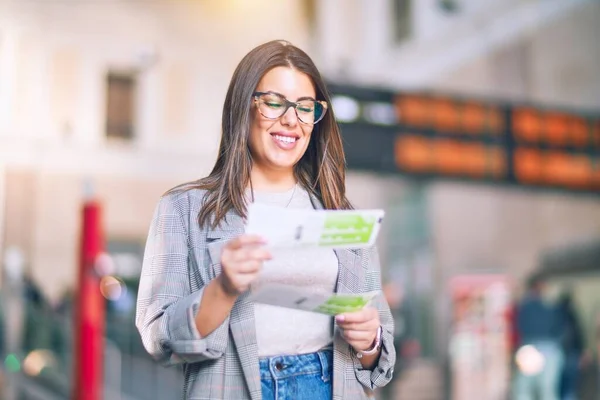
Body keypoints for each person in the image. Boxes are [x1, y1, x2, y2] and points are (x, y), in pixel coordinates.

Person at [135, 40, 396, 400]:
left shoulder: (342, 217)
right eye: (274, 103)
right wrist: (223, 289)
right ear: (244, 107)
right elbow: (158, 338)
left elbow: (378, 359)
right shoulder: (184, 209)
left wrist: (370, 341)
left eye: (306, 108)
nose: (291, 119)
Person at [512, 275, 564, 400]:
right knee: (545, 389)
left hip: (534, 347)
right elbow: (560, 327)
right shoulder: (551, 305)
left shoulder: (526, 305)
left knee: (526, 389)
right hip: (546, 348)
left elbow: (520, 326)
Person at [557, 291, 584, 400]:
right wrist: (581, 351)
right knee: (569, 386)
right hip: (571, 352)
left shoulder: (557, 314)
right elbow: (578, 334)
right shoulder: (571, 315)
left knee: (560, 384)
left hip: (561, 352)